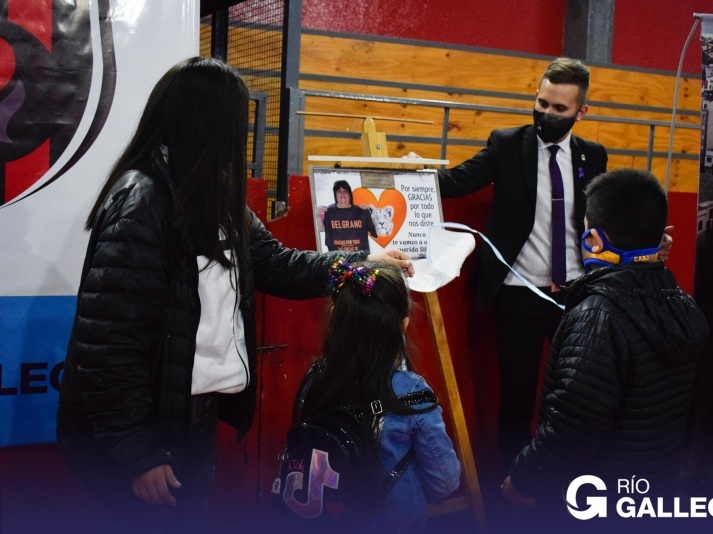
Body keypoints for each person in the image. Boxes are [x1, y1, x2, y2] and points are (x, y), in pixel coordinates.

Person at [55, 57, 412, 533]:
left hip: (192, 418)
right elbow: (110, 346)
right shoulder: (142, 200)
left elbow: (276, 262)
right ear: (209, 124)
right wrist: (137, 453)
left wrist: (358, 266)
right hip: (146, 434)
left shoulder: (213, 194)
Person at [437, 57, 630, 471]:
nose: (546, 114)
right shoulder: (507, 144)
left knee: (577, 400)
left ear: (582, 111)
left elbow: (606, 217)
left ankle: (565, 482)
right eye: (541, 103)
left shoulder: (593, 156)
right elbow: (456, 181)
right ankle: (512, 484)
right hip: (519, 293)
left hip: (578, 297)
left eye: (559, 109)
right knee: (517, 400)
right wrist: (401, 178)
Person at [501, 169, 707, 525]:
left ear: (594, 241)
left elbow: (574, 426)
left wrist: (523, 480)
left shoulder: (598, 314)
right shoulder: (681, 303)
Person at [299, 259, 461, 534]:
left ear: (337, 316)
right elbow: (445, 480)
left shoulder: (314, 379)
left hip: (326, 518)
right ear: (403, 326)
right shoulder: (410, 392)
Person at [320, 180, 377, 252]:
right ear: (335, 195)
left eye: (345, 191)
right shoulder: (329, 211)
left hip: (359, 258)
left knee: (359, 263)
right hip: (338, 258)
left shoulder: (360, 211)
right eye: (339, 191)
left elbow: (374, 228)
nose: (342, 194)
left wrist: (369, 213)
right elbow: (320, 229)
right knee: (339, 263)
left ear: (349, 195)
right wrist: (317, 214)